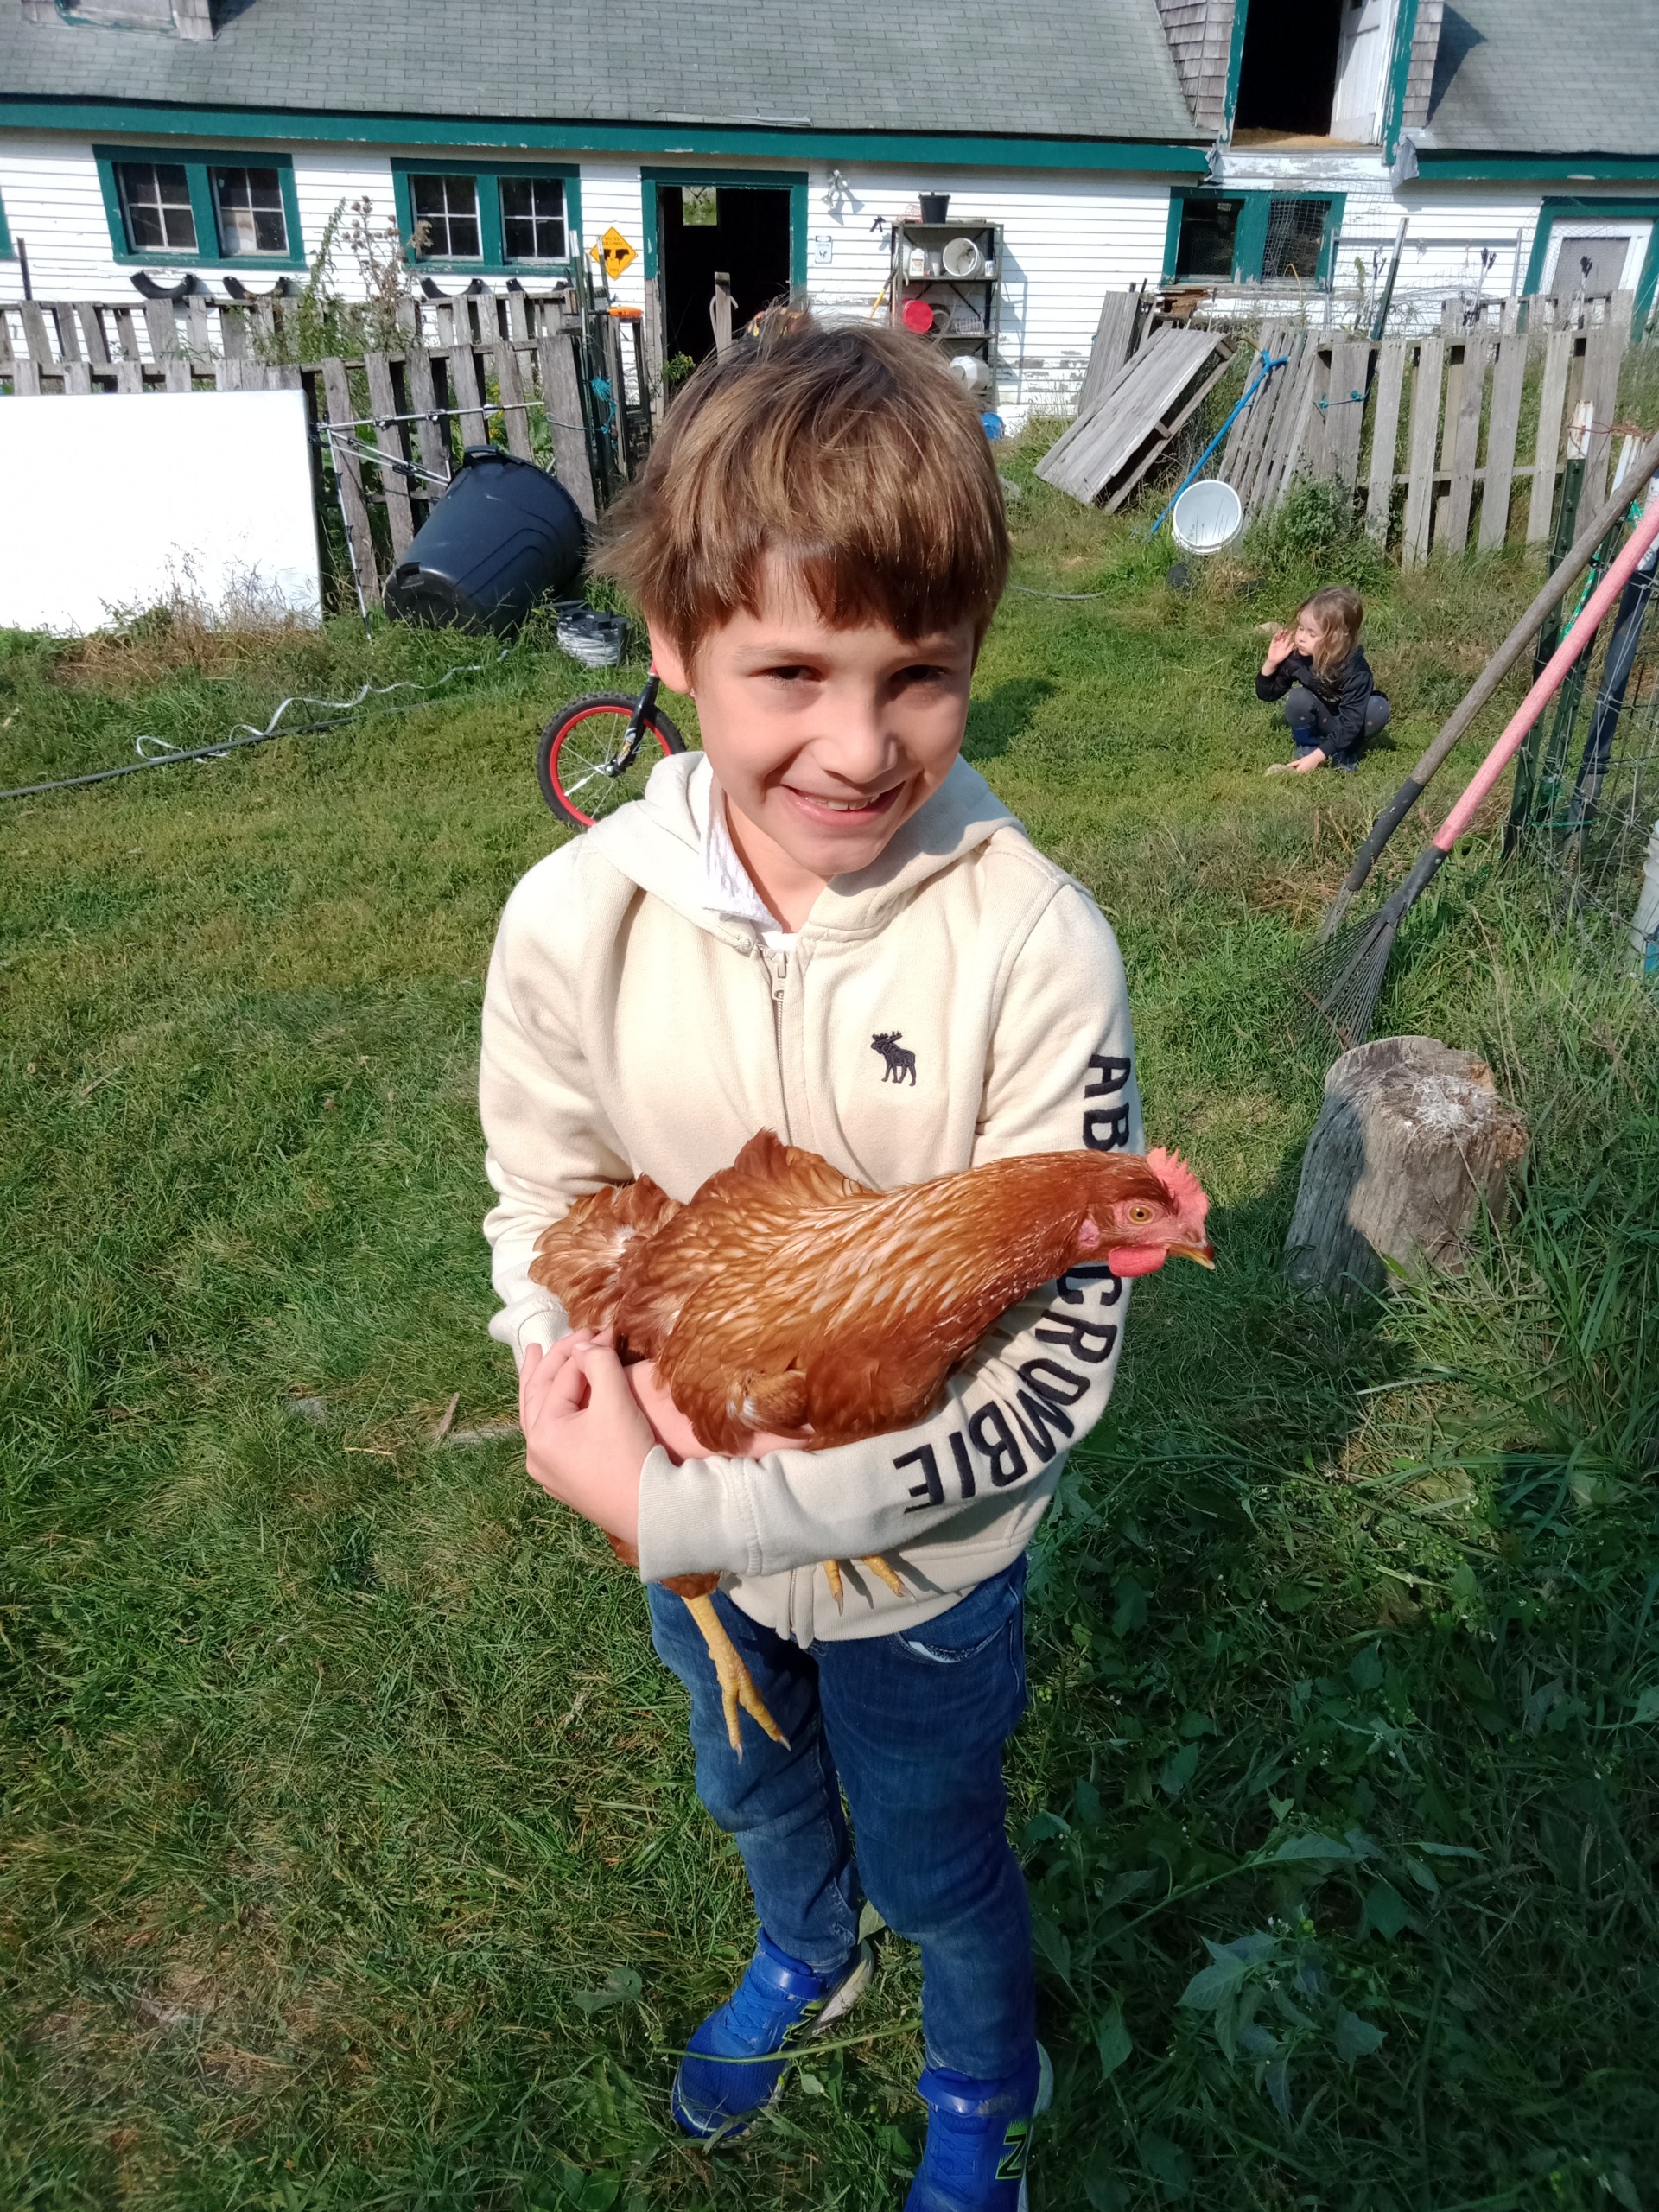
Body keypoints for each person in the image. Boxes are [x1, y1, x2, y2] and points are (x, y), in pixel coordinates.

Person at [479, 316, 1141, 2211]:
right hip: (668, 1491)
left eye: (918, 678)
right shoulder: (574, 922)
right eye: (788, 671)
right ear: (673, 651)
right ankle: (801, 1942)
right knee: (755, 1784)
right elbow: (544, 1191)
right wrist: (584, 1392)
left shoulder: (1033, 948)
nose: (860, 745)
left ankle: (979, 2063)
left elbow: (1061, 1353)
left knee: (942, 1845)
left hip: (929, 1553)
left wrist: (721, 1513)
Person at [1257, 584, 1389, 774]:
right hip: (1323, 718)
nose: (1301, 637)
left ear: (1338, 638)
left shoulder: (1356, 670)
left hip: (1352, 724)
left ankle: (1346, 752)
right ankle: (1308, 747)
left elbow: (1351, 722)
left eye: (1312, 633)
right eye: (1301, 628)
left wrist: (1321, 756)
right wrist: (1271, 663)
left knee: (1378, 707)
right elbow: (1267, 694)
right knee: (1298, 698)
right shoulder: (1297, 658)